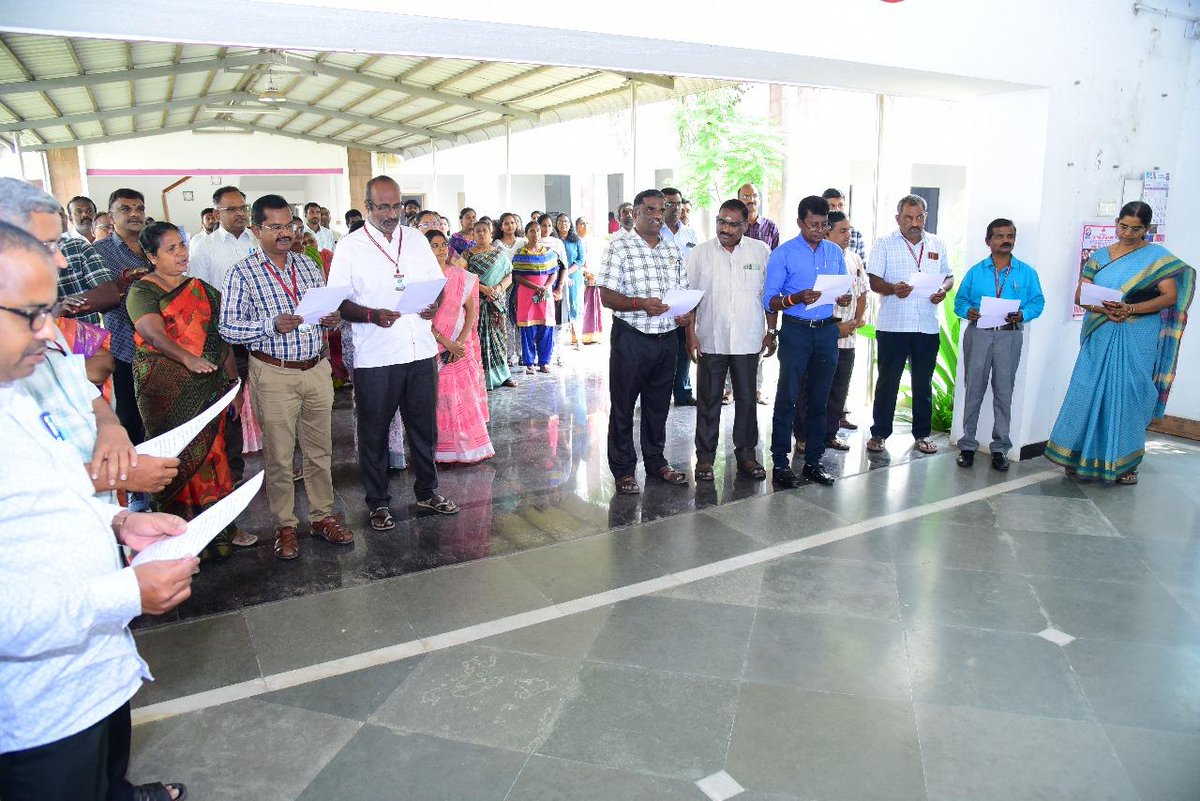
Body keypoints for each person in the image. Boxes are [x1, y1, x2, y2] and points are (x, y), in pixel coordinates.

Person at [0, 221, 195, 801]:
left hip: (90, 671)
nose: (50, 330)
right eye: (30, 314)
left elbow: (41, 494)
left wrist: (119, 521)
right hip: (35, 711)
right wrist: (127, 593)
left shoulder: (16, 385)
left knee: (106, 770)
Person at [0, 180, 178, 505]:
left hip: (92, 509)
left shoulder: (45, 323)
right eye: (47, 245)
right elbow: (16, 486)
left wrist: (109, 426)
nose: (61, 261)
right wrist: (113, 476)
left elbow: (85, 383)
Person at [220, 195, 351, 559]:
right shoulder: (241, 272)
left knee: (320, 451)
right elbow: (227, 328)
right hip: (274, 373)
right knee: (279, 456)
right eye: (274, 227)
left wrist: (331, 319)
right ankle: (285, 525)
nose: (284, 233)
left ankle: (322, 516)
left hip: (316, 369)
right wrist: (271, 325)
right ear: (256, 229)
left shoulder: (308, 265)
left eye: (289, 225)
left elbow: (325, 313)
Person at [329, 175, 459, 528]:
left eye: (396, 206)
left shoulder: (415, 239)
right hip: (377, 355)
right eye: (383, 207)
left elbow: (438, 285)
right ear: (368, 206)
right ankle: (378, 503)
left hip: (420, 351)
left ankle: (428, 492)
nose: (391, 214)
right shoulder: (350, 247)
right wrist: (371, 315)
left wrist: (435, 303)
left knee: (424, 429)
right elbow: (338, 301)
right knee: (374, 433)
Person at [127, 221, 253, 559]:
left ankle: (221, 531)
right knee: (175, 458)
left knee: (215, 455)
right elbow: (152, 334)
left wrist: (234, 385)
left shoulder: (203, 290)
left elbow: (222, 341)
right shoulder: (143, 291)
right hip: (164, 390)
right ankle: (176, 535)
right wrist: (188, 358)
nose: (182, 253)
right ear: (152, 256)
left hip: (209, 386)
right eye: (171, 249)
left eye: (182, 246)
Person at [1046, 201, 1194, 484]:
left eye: (1136, 229)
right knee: (1086, 389)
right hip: (1102, 330)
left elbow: (1169, 296)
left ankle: (1125, 464)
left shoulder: (1156, 258)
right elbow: (1080, 295)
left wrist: (1131, 309)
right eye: (1123, 226)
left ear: (1147, 229)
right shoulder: (1099, 257)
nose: (1127, 233)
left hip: (1139, 333)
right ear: (1116, 223)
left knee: (1129, 393)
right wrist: (1106, 310)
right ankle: (1076, 455)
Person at [597, 189, 692, 494]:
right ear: (635, 212)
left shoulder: (671, 248)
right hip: (631, 338)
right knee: (624, 407)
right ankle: (624, 470)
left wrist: (683, 313)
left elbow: (682, 290)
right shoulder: (619, 247)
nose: (657, 215)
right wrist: (639, 303)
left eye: (661, 210)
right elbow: (606, 296)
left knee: (658, 407)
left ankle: (656, 461)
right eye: (650, 209)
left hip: (667, 339)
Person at [685, 198, 774, 482]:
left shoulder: (761, 251)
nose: (725, 228)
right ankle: (705, 458)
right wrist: (690, 335)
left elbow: (769, 295)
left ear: (745, 225)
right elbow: (690, 299)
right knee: (708, 401)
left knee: (747, 400)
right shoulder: (700, 254)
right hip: (711, 338)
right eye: (721, 221)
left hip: (748, 339)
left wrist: (771, 331)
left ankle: (746, 455)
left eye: (733, 224)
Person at [764, 195, 850, 488]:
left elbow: (841, 288)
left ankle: (814, 461)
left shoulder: (834, 252)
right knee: (787, 397)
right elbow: (770, 300)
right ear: (800, 222)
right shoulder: (783, 254)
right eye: (813, 224)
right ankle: (780, 463)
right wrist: (796, 298)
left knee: (819, 399)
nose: (819, 230)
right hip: (796, 331)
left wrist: (843, 297)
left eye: (824, 225)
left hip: (826, 331)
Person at [954, 218, 1045, 471]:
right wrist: (968, 311)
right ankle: (967, 446)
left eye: (1010, 236)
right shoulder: (976, 271)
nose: (1006, 240)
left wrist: (1024, 314)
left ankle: (1000, 448)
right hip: (979, 334)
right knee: (973, 389)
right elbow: (959, 301)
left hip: (1009, 335)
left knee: (1004, 392)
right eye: (1000, 236)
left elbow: (1038, 302)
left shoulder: (1026, 273)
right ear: (988, 241)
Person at [866, 194, 954, 455]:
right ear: (898, 218)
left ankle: (922, 435)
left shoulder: (937, 243)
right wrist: (893, 288)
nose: (914, 223)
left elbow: (949, 276)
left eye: (919, 217)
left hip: (927, 325)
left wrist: (943, 289)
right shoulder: (884, 244)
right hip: (894, 326)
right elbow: (874, 282)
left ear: (925, 217)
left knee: (923, 383)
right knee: (888, 382)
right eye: (908, 217)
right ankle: (879, 434)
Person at [186, 186, 259, 481]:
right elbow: (199, 294)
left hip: (263, 333)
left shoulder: (258, 239)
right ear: (217, 213)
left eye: (243, 207)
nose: (240, 213)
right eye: (232, 209)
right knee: (232, 399)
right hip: (227, 337)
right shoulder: (204, 247)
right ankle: (233, 469)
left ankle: (280, 460)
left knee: (270, 400)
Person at [792, 211, 868, 452]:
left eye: (849, 230)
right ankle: (804, 436)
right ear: (827, 232)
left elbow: (862, 292)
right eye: (842, 231)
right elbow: (811, 302)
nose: (848, 235)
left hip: (848, 339)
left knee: (838, 390)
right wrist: (834, 329)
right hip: (821, 338)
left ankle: (829, 434)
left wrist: (856, 321)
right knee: (811, 391)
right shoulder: (818, 260)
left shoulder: (854, 259)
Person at [425, 229, 495, 463]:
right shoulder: (422, 280)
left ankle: (472, 448)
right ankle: (443, 450)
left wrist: (460, 343)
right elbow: (419, 319)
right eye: (434, 246)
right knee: (441, 400)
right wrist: (446, 343)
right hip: (434, 347)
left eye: (443, 245)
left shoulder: (461, 276)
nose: (441, 249)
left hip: (458, 346)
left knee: (464, 401)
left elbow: (471, 312)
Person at [92, 189, 153, 447]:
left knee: (161, 413)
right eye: (126, 209)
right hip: (126, 347)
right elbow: (102, 297)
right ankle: (134, 469)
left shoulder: (153, 244)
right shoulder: (100, 251)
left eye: (139, 208)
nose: (135, 214)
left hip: (161, 345)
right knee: (131, 417)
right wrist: (123, 281)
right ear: (111, 217)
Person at [463, 219, 517, 389]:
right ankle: (482, 378)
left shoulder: (499, 254)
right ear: (473, 235)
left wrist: (498, 289)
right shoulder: (466, 255)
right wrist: (484, 289)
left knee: (499, 339)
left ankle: (504, 375)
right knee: (479, 340)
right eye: (477, 231)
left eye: (484, 230)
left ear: (491, 233)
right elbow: (463, 278)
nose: (481, 233)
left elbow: (510, 275)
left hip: (496, 302)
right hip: (477, 303)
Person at [659, 188, 699, 406]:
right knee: (661, 349)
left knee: (685, 346)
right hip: (661, 299)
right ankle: (659, 394)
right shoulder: (655, 233)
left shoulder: (690, 234)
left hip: (685, 297)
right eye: (670, 204)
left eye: (678, 203)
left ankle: (683, 393)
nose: (675, 208)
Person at [512, 221, 561, 374]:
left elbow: (554, 272)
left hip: (545, 294)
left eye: (538, 230)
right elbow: (517, 277)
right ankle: (529, 363)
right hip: (527, 294)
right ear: (526, 234)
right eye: (532, 231)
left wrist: (546, 287)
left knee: (546, 327)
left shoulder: (548, 252)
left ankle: (544, 362)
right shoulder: (520, 254)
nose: (536, 234)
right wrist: (536, 287)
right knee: (527, 328)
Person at [555, 212, 585, 350]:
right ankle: (558, 343)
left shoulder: (576, 240)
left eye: (566, 221)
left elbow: (580, 260)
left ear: (570, 224)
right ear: (556, 224)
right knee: (560, 306)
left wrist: (567, 273)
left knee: (575, 305)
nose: (563, 224)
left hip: (574, 277)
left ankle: (578, 339)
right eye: (560, 221)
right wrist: (562, 275)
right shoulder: (554, 240)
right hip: (557, 277)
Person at [576, 216, 604, 344]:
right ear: (577, 227)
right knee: (583, 304)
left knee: (594, 304)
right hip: (580, 275)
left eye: (587, 223)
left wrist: (595, 272)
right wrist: (584, 270)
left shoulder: (594, 241)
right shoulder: (576, 241)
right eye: (582, 223)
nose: (585, 225)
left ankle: (593, 335)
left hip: (594, 275)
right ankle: (580, 335)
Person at [822, 188, 865, 261]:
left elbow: (861, 263)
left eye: (840, 205)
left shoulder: (856, 234)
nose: (837, 209)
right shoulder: (814, 233)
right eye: (832, 205)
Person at [739, 183, 779, 251]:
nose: (751, 199)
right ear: (738, 201)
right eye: (746, 196)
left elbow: (776, 254)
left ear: (759, 199)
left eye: (754, 196)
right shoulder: (733, 226)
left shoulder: (771, 226)